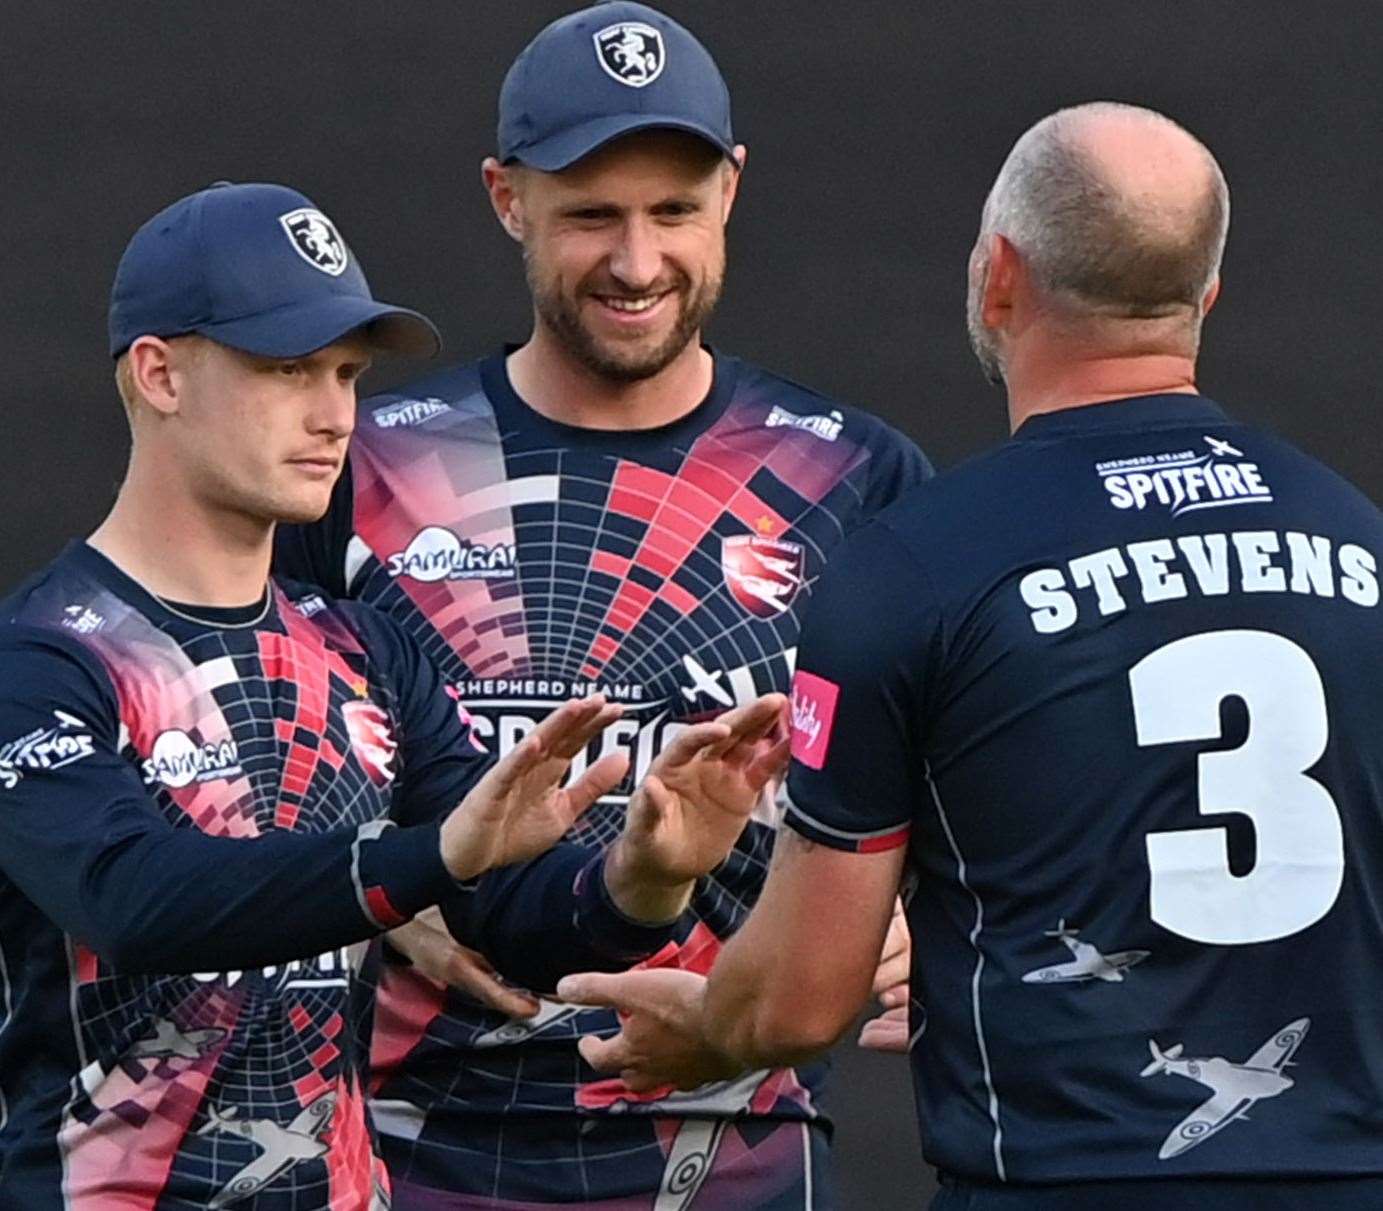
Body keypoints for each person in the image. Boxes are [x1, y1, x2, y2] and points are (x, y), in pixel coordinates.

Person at [560, 102, 1383, 1210]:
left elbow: (801, 1001)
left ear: (1000, 276)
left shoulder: (918, 566)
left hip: (1059, 1181)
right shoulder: (1359, 541)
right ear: (1205, 299)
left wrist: (705, 1026)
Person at [0, 180, 787, 1209]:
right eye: (285, 369)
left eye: (347, 373)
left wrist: (645, 873)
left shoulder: (364, 644)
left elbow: (512, 915)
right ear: (159, 373)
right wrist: (432, 853)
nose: (334, 415)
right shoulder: (44, 657)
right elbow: (136, 898)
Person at [274, 4, 931, 1206]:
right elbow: (218, 768)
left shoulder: (857, 475)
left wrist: (912, 913)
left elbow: (971, 795)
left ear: (731, 192)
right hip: (405, 1149)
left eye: (672, 210)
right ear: (505, 197)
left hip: (734, 1149)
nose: (636, 263)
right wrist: (351, 895)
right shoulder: (359, 472)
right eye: (590, 214)